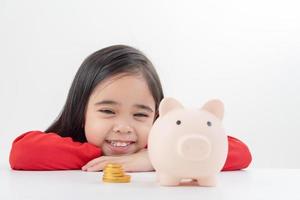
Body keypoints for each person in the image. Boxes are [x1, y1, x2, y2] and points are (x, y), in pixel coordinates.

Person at [9, 45, 252, 172]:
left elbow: (241, 153)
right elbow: (22, 152)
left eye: (140, 114)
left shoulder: (162, 145)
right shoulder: (67, 145)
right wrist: (102, 159)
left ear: (157, 117)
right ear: (81, 111)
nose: (124, 127)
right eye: (107, 111)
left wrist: (156, 158)